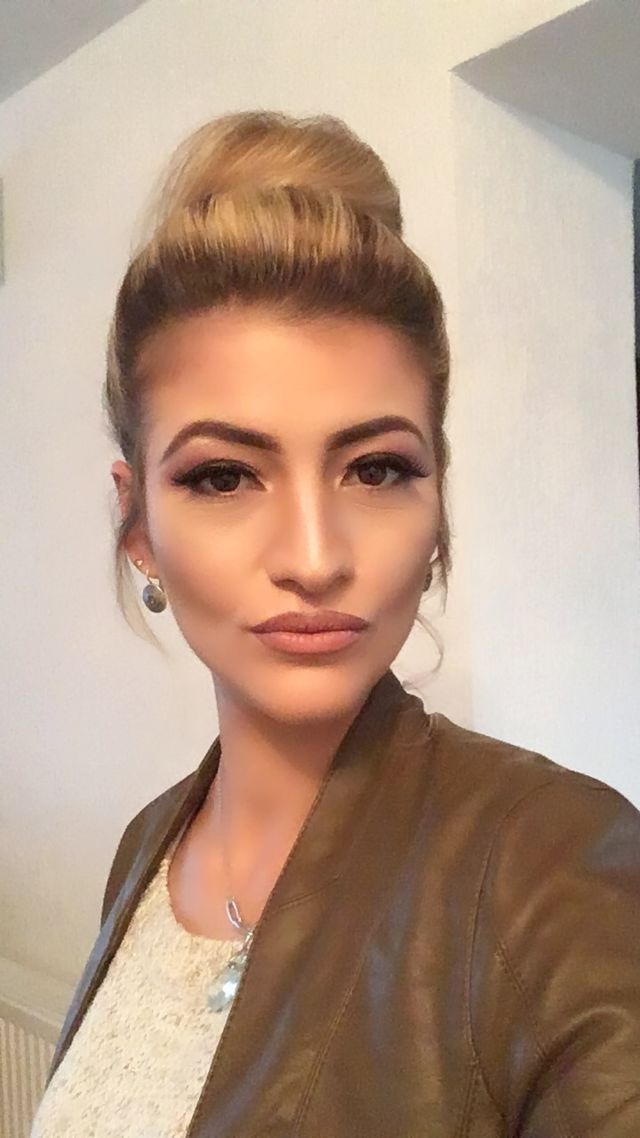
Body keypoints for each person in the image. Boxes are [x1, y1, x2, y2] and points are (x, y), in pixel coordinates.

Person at [32, 110, 639, 1138]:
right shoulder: (145, 848)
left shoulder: (557, 870)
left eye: (376, 469)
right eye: (225, 476)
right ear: (137, 524)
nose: (315, 557)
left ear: (436, 500)